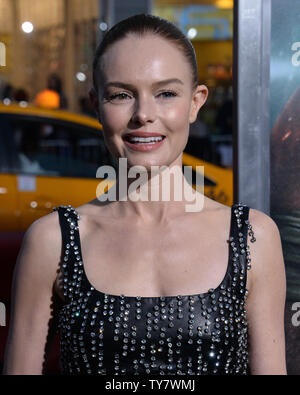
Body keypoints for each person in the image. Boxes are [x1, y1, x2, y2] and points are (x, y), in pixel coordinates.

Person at [3, 14, 286, 375]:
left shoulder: (253, 236)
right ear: (96, 105)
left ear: (196, 101)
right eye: (121, 95)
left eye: (166, 93)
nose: (144, 115)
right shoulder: (52, 241)